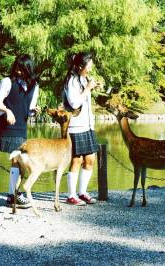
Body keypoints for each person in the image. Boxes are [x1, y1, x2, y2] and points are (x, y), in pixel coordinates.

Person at [0, 54, 40, 208]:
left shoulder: (34, 86)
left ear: (28, 69)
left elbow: (29, 107)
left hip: (22, 127)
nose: (18, 71)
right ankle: (13, 196)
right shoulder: (7, 82)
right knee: (17, 160)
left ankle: (13, 195)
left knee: (18, 162)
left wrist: (34, 111)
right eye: (17, 67)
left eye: (22, 68)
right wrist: (7, 111)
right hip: (8, 127)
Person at [62, 52, 100, 206]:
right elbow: (74, 103)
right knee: (76, 160)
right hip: (76, 126)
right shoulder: (72, 81)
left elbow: (84, 100)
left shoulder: (84, 79)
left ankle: (82, 192)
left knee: (90, 159)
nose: (90, 68)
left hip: (88, 125)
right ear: (79, 66)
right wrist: (88, 89)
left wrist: (92, 87)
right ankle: (71, 195)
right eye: (88, 65)